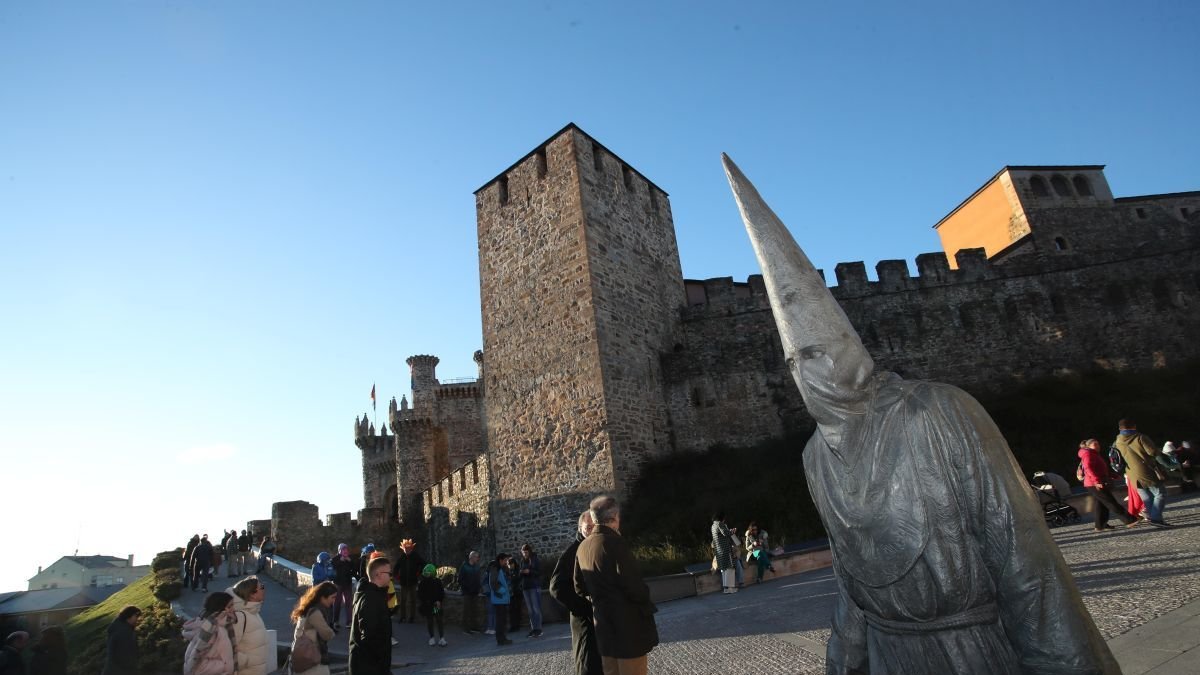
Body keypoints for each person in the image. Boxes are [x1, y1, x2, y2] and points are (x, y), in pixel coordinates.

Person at [722, 155, 1119, 674]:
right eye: (798, 362)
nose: (812, 372)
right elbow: (850, 576)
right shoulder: (816, 454)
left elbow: (1023, 555)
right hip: (891, 655)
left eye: (820, 353)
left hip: (971, 649)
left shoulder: (938, 410)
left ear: (850, 347)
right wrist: (844, 660)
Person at [574, 495, 658, 675]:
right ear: (614, 518)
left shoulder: (582, 547)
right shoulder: (615, 543)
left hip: (603, 626)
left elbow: (579, 587)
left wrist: (599, 600)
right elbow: (634, 586)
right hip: (627, 627)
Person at [549, 510, 603, 675]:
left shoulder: (595, 546)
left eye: (594, 527)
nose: (592, 531)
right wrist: (585, 608)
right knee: (588, 665)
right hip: (585, 622)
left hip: (599, 623)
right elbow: (556, 586)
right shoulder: (573, 551)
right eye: (588, 527)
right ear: (580, 528)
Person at [1114, 419, 1170, 527]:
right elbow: (1152, 452)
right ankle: (1156, 518)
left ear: (1120, 428)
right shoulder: (1140, 437)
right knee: (1160, 493)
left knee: (1147, 497)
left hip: (1131, 473)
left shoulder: (1117, 440)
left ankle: (1152, 518)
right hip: (1146, 470)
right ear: (1133, 426)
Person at [1078, 439, 1138, 531]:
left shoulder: (1093, 454)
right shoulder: (1088, 454)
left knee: (1102, 504)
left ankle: (1100, 525)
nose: (1098, 446)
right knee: (1110, 502)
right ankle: (1129, 520)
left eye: (1098, 444)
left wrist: (1113, 475)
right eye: (1095, 444)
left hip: (1095, 482)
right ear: (1088, 446)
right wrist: (1096, 481)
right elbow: (1088, 468)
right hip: (1094, 483)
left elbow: (1100, 468)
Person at [349, 556, 393, 675]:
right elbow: (369, 638)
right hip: (369, 668)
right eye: (389, 573)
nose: (391, 577)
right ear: (378, 574)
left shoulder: (373, 595)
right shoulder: (371, 599)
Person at [182, 592, 237, 675]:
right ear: (219, 608)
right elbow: (197, 666)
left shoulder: (219, 625)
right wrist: (225, 666)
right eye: (229, 606)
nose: (234, 609)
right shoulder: (211, 629)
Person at [289, 581, 337, 675]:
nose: (334, 601)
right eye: (333, 597)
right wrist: (332, 632)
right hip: (312, 658)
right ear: (323, 597)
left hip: (305, 657)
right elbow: (327, 634)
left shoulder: (309, 608)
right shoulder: (315, 613)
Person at [228, 577, 268, 675]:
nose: (264, 589)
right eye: (262, 587)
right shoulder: (240, 616)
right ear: (252, 595)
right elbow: (227, 648)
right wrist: (246, 661)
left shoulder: (253, 612)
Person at [101, 606, 141, 675]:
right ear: (128, 616)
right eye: (136, 616)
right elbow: (125, 655)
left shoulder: (118, 627)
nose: (137, 619)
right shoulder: (124, 632)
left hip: (111, 670)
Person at [393, 539, 424, 623]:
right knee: (403, 600)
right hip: (403, 582)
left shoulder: (416, 556)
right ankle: (403, 617)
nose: (407, 550)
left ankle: (412, 617)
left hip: (413, 582)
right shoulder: (401, 557)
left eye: (408, 548)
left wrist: (418, 573)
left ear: (411, 548)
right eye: (405, 548)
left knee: (413, 600)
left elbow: (423, 564)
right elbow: (396, 568)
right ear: (403, 549)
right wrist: (397, 577)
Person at [487, 553, 513, 646]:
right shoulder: (495, 568)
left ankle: (502, 638)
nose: (506, 562)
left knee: (502, 620)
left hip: (502, 598)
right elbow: (493, 583)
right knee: (500, 620)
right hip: (499, 598)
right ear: (500, 560)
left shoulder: (501, 568)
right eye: (505, 560)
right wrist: (503, 591)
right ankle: (501, 639)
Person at [417, 564, 447, 647]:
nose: (426, 575)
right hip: (428, 605)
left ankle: (441, 638)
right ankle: (432, 637)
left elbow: (441, 592)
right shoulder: (423, 582)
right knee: (430, 621)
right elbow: (420, 594)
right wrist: (426, 601)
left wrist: (439, 601)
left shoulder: (437, 581)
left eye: (428, 573)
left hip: (435, 605)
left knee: (438, 620)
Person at [519, 544, 544, 637]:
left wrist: (530, 572)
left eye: (526, 552)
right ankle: (533, 628)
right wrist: (521, 572)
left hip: (534, 586)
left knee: (536, 609)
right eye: (523, 552)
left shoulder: (535, 559)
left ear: (529, 551)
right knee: (530, 610)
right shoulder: (522, 561)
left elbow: (539, 572)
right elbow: (519, 574)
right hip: (525, 587)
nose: (524, 554)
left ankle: (539, 629)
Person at [456, 551, 484, 634]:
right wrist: (467, 587)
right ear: (471, 557)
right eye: (476, 557)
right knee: (467, 611)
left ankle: (474, 627)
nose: (478, 559)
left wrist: (478, 587)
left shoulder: (476, 567)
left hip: (475, 592)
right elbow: (460, 579)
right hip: (467, 593)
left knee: (474, 610)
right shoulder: (464, 566)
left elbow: (478, 578)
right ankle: (466, 628)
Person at [711, 512, 737, 594]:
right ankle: (730, 588)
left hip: (718, 551)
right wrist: (732, 531)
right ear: (721, 518)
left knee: (724, 568)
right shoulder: (720, 524)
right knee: (730, 567)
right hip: (725, 549)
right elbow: (725, 533)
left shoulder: (713, 525)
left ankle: (726, 588)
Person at [332, 543, 357, 630]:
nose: (346, 551)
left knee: (348, 603)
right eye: (343, 550)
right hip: (338, 584)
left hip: (347, 584)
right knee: (337, 603)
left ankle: (349, 622)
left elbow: (355, 569)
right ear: (339, 551)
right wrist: (340, 561)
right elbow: (333, 567)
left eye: (346, 550)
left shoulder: (350, 559)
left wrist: (350, 561)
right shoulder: (335, 559)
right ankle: (335, 621)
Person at [506, 555, 523, 632]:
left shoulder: (517, 571)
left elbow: (516, 580)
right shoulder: (509, 572)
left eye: (510, 564)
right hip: (512, 593)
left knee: (517, 609)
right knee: (512, 610)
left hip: (517, 592)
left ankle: (516, 625)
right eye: (508, 564)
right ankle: (514, 625)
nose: (509, 566)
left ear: (514, 564)